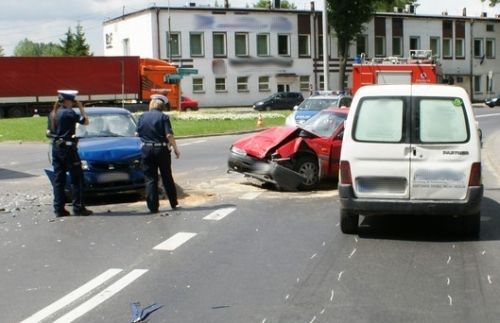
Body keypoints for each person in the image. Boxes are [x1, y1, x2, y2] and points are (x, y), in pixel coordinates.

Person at [46, 90, 93, 217]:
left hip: (56, 148)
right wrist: (81, 107)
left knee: (58, 179)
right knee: (77, 178)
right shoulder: (68, 113)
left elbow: (48, 132)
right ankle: (78, 207)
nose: (73, 103)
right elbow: (86, 121)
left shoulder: (53, 113)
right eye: (73, 101)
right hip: (68, 149)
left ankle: (59, 208)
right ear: (68, 101)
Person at [135, 94, 181, 213]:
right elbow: (169, 135)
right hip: (161, 149)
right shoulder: (163, 117)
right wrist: (176, 149)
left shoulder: (142, 116)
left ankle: (153, 206)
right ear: (162, 106)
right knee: (166, 176)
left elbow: (136, 134)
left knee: (150, 178)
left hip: (146, 149)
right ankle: (173, 202)